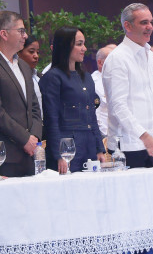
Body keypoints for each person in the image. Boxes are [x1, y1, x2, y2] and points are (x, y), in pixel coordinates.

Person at [0, 11, 42, 177]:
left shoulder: (24, 66)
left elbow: (34, 106)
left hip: (30, 153)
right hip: (4, 155)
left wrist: (34, 138)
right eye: (21, 31)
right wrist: (24, 139)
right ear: (4, 34)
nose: (25, 36)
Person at [101, 3, 153, 168]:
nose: (150, 27)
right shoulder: (118, 58)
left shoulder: (150, 56)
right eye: (144, 22)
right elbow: (118, 106)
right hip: (128, 146)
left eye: (151, 22)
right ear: (128, 26)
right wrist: (145, 136)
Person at [39, 27, 105, 173]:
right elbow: (51, 119)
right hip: (67, 148)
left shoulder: (87, 77)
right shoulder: (53, 77)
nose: (84, 48)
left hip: (89, 145)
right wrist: (58, 155)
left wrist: (99, 148)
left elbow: (92, 116)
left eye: (84, 44)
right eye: (79, 44)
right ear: (65, 46)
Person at [91, 44, 115, 138]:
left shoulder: (121, 79)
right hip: (104, 134)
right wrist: (105, 135)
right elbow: (96, 113)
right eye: (112, 60)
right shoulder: (93, 82)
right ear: (100, 62)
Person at [17, 35, 42, 116]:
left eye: (37, 52)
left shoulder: (39, 77)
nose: (36, 56)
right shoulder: (16, 78)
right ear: (18, 53)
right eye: (31, 52)